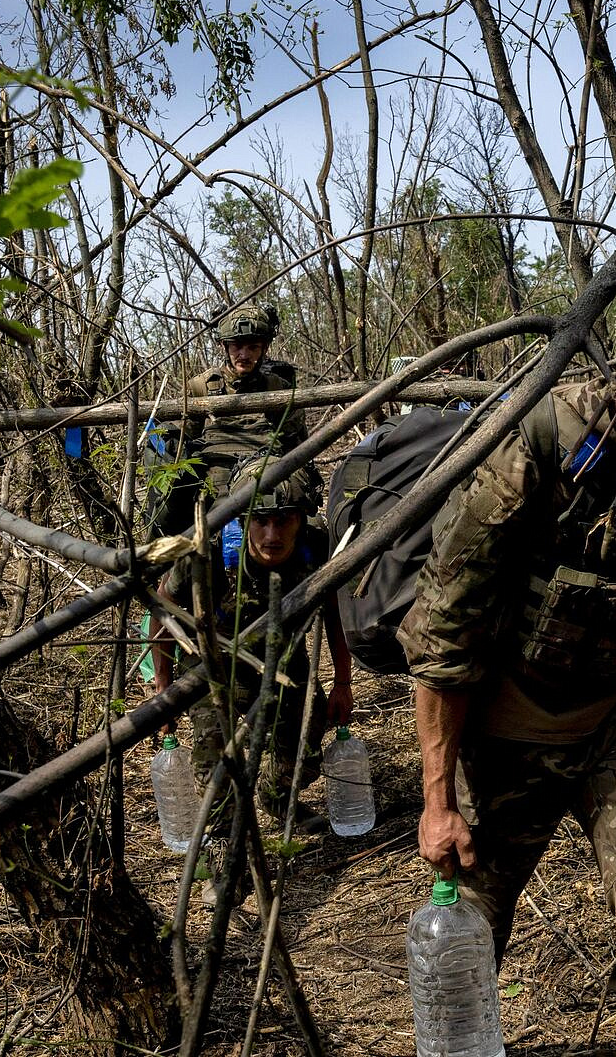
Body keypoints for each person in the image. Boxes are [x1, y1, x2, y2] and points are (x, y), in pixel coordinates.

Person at [399, 280, 616, 975]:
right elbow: (444, 631)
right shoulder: (538, 444)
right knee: (466, 943)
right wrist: (437, 802)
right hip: (504, 737)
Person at [151, 455, 355, 836]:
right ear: (242, 519)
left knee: (304, 752)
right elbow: (162, 609)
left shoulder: (314, 546)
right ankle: (228, 849)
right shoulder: (207, 548)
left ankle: (276, 798)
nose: (271, 536)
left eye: (283, 521)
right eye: (260, 521)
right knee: (217, 768)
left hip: (283, 665)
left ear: (301, 519)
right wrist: (164, 692)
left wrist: (342, 683)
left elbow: (334, 613)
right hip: (211, 673)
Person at [150, 303, 306, 536]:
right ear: (224, 346)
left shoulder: (279, 387)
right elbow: (182, 442)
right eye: (237, 347)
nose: (244, 355)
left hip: (269, 476)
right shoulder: (201, 386)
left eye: (253, 347)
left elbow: (298, 446)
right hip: (215, 480)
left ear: (264, 348)